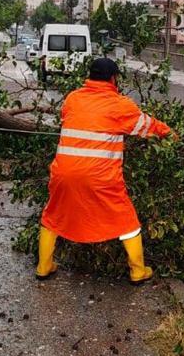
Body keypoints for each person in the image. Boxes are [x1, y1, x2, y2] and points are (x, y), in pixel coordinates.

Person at [36, 57, 174, 283]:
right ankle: (138, 271)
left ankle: (43, 266)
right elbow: (147, 126)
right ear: (113, 78)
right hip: (100, 177)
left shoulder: (72, 99)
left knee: (53, 215)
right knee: (126, 219)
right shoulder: (119, 105)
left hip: (63, 174)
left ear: (89, 76)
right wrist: (169, 134)